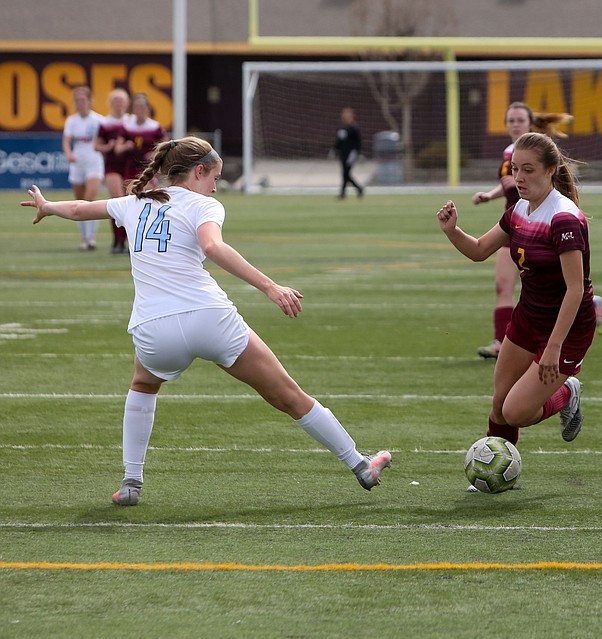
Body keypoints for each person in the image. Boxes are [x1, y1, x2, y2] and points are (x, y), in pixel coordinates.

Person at [20, 137, 392, 506]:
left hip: (154, 328)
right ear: (198, 172)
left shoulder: (134, 202)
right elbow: (213, 247)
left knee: (143, 386)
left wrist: (48, 205)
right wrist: (270, 286)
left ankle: (131, 482)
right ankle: (360, 465)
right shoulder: (204, 205)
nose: (215, 186)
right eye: (214, 176)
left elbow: (83, 208)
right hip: (210, 318)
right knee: (289, 396)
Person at [438, 132, 594, 472]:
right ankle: (492, 471)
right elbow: (479, 250)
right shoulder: (519, 209)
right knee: (499, 405)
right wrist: (453, 231)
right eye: (515, 169)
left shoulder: (564, 219)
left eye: (528, 170)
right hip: (528, 318)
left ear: (551, 171)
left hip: (566, 329)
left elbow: (575, 290)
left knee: (516, 412)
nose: (518, 178)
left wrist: (553, 348)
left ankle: (567, 392)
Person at [470, 102, 602, 359]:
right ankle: (502, 341)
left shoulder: (538, 150)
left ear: (529, 122)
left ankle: (584, 310)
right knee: (503, 285)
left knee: (555, 286)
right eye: (510, 120)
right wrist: (489, 196)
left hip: (540, 227)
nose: (515, 125)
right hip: (514, 225)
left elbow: (553, 177)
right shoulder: (509, 153)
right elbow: (508, 183)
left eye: (520, 120)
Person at [61, 86, 105, 251]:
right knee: (79, 201)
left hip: (94, 160)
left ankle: (91, 238)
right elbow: (66, 141)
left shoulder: (99, 120)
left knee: (90, 198)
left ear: (89, 100)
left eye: (83, 99)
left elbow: (104, 140)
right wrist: (69, 153)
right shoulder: (71, 120)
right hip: (77, 162)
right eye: (77, 100)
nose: (80, 103)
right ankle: (84, 237)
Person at [95, 88, 133, 253]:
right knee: (117, 201)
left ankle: (127, 240)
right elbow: (96, 145)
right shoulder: (105, 122)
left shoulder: (132, 121)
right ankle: (117, 240)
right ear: (111, 103)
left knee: (131, 202)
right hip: (112, 165)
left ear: (126, 103)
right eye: (115, 100)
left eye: (121, 100)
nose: (118, 103)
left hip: (131, 165)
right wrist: (108, 147)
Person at [122, 93, 167, 192]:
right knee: (130, 194)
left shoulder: (154, 127)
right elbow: (118, 146)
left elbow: (165, 146)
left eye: (142, 107)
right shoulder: (127, 125)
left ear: (147, 109)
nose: (139, 110)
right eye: (136, 107)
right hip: (130, 165)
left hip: (148, 167)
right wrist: (125, 146)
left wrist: (154, 154)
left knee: (144, 193)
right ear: (132, 109)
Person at [333, 107, 364, 199]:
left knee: (346, 173)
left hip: (351, 154)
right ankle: (357, 189)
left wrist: (358, 153)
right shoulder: (341, 128)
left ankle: (344, 193)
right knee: (345, 174)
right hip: (343, 154)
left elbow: (358, 142)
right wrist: (334, 150)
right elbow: (338, 141)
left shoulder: (354, 128)